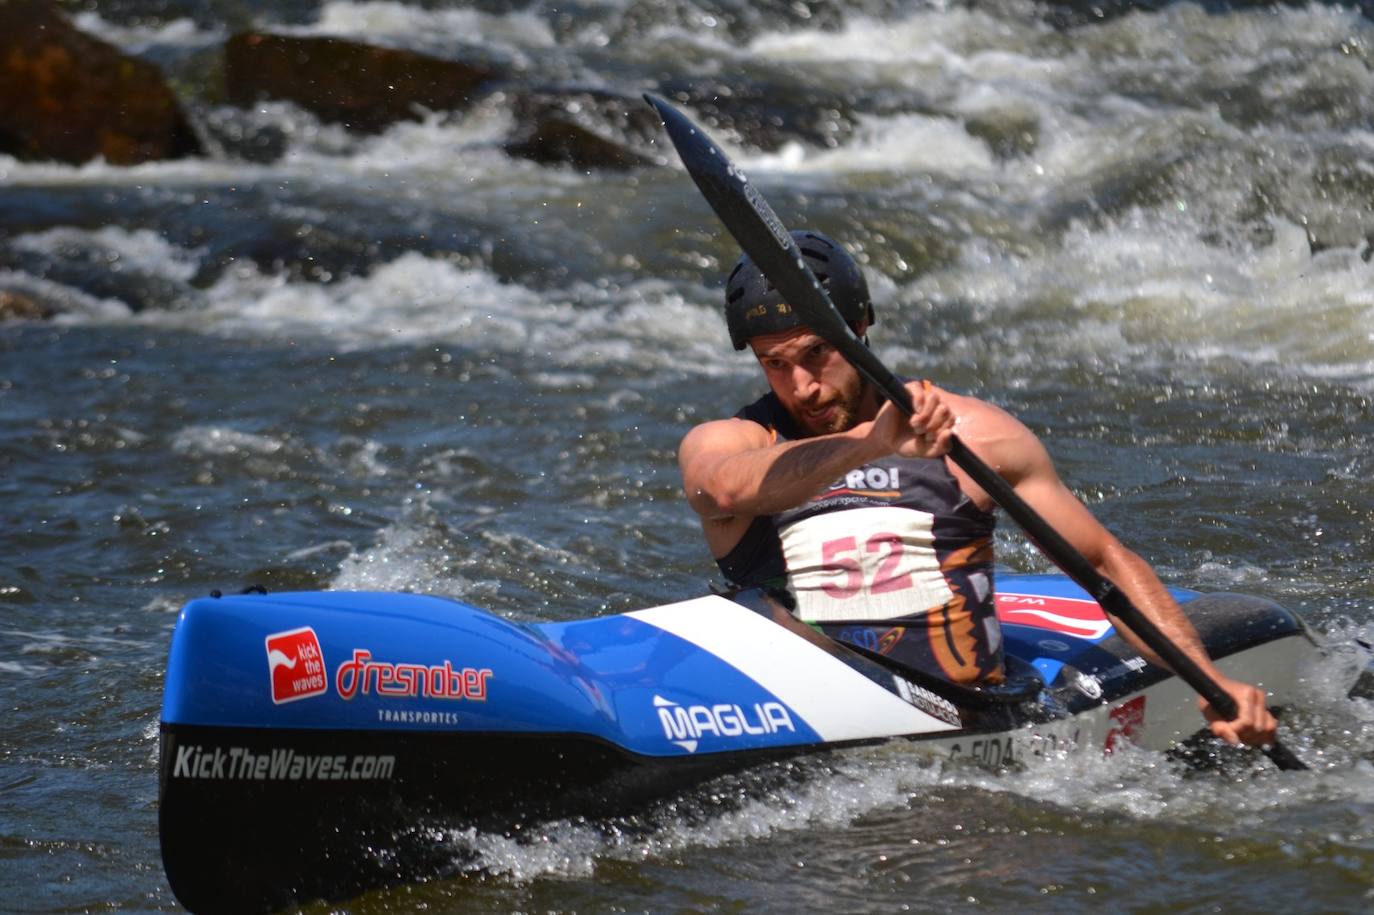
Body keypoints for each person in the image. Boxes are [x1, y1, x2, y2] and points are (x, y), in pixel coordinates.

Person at [678, 229, 1277, 748]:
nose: (801, 386)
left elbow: (1102, 564)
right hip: (795, 705)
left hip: (963, 716)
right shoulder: (734, 442)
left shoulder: (975, 436)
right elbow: (722, 490)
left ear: (860, 328)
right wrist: (872, 445)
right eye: (774, 364)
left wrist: (1207, 681)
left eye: (817, 353)